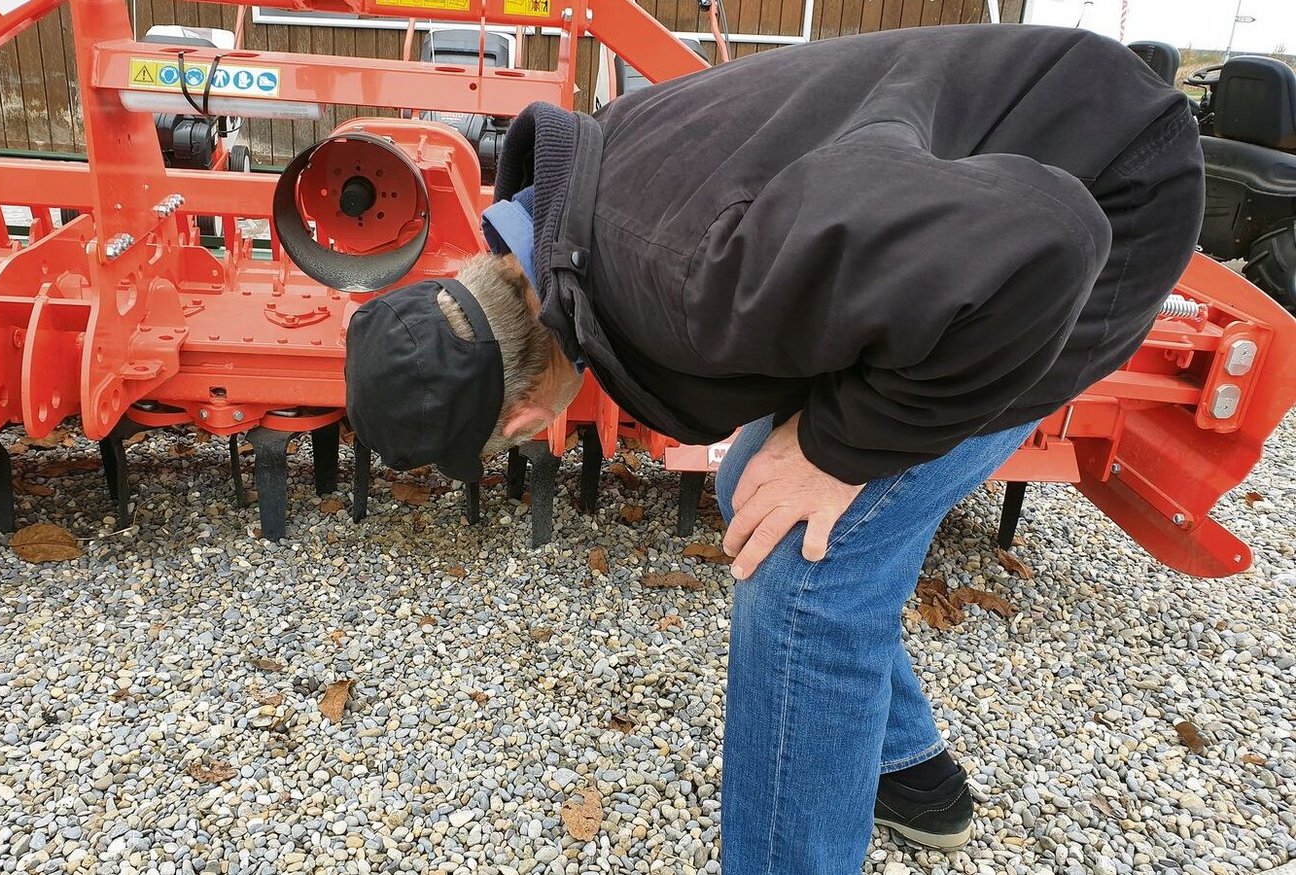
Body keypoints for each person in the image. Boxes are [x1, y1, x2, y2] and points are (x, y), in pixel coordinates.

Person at [343, 23, 1204, 874]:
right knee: (756, 490)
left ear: (526, 422)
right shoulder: (573, 209)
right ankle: (911, 771)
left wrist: (836, 449)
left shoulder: (694, 278)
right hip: (1029, 141)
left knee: (805, 562)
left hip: (1109, 192)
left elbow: (1050, 243)